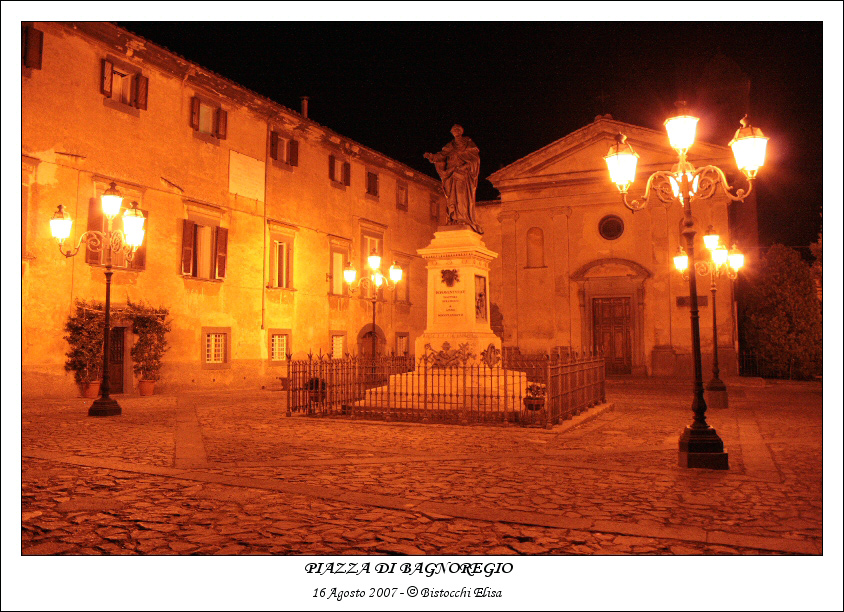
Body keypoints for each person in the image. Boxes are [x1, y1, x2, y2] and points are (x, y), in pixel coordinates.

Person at [424, 124, 482, 234]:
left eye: (457, 130)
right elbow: (441, 155)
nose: (455, 131)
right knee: (451, 198)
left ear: (461, 131)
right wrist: (431, 156)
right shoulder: (450, 145)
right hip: (450, 175)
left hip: (462, 175)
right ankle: (453, 218)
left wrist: (465, 167)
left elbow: (475, 159)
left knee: (461, 196)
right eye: (453, 130)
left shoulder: (469, 144)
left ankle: (463, 218)